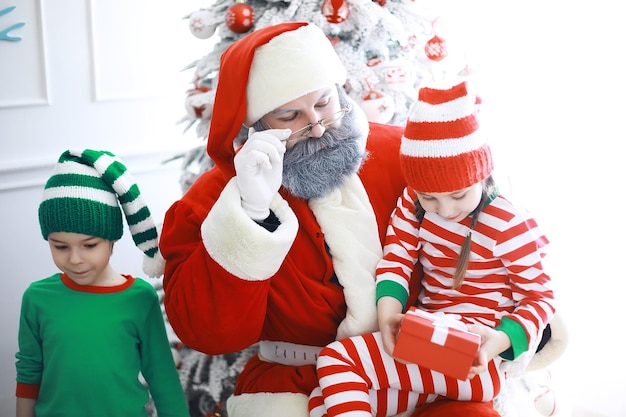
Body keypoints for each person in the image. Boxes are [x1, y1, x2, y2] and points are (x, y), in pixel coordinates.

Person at [159, 21, 503, 417]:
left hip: (421, 365)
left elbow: (489, 236)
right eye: (290, 115)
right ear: (255, 126)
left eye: (324, 102)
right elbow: (209, 333)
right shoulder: (213, 200)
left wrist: (518, 323)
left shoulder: (404, 155)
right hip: (297, 381)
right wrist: (251, 213)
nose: (319, 126)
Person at [307, 80, 557, 416]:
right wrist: (387, 319)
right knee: (321, 404)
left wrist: (497, 341)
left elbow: (540, 299)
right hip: (429, 344)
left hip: (476, 360)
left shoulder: (508, 222)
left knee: (335, 358)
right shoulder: (413, 203)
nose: (446, 210)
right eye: (430, 198)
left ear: (482, 176)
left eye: (458, 196)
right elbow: (396, 260)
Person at [15, 149, 190, 417]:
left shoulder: (139, 298)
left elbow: (162, 375)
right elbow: (29, 371)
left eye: (89, 245)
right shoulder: (37, 298)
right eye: (60, 246)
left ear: (112, 238)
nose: (75, 259)